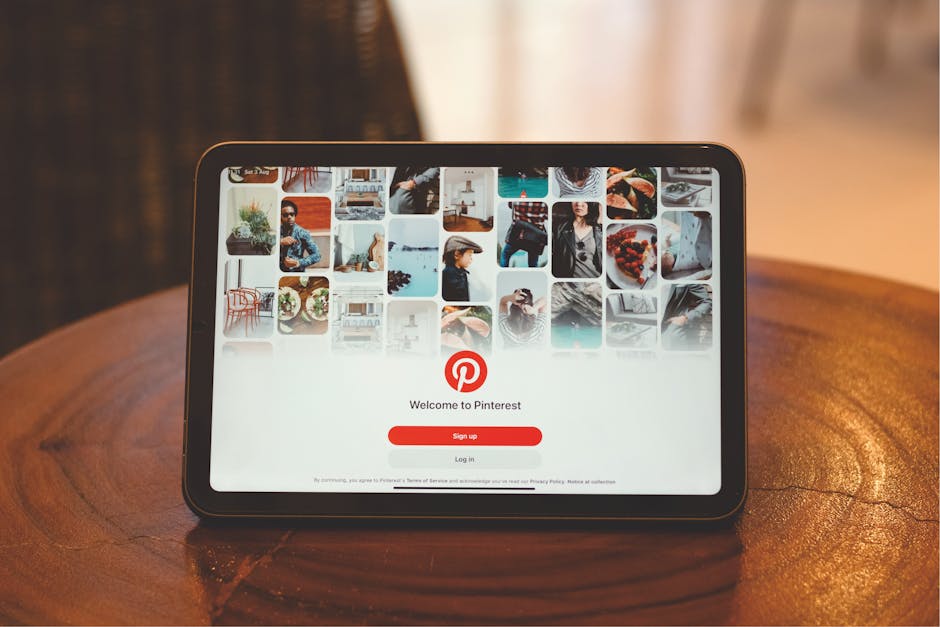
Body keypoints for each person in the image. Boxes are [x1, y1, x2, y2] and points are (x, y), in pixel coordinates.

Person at [552, 201, 602, 278]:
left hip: (595, 277)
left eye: (585, 201)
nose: (578, 204)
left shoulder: (600, 231)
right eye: (575, 200)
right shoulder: (559, 228)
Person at [661, 284, 713, 350]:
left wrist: (686, 318)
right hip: (651, 333)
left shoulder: (688, 280)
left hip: (671, 334)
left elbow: (707, 302)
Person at [500, 201, 548, 267]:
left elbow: (510, 205)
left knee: (505, 255)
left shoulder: (516, 198)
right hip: (535, 239)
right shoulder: (544, 203)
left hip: (517, 235)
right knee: (533, 263)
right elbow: (547, 216)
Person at [279, 200, 321, 272]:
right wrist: (280, 241)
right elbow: (264, 241)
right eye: (285, 215)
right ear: (280, 217)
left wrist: (298, 262)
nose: (289, 217)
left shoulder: (302, 233)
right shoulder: (277, 232)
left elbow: (317, 255)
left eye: (292, 214)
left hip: (297, 273)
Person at [441, 235, 482, 301]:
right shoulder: (448, 274)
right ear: (457, 255)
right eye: (470, 255)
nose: (471, 259)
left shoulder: (462, 273)